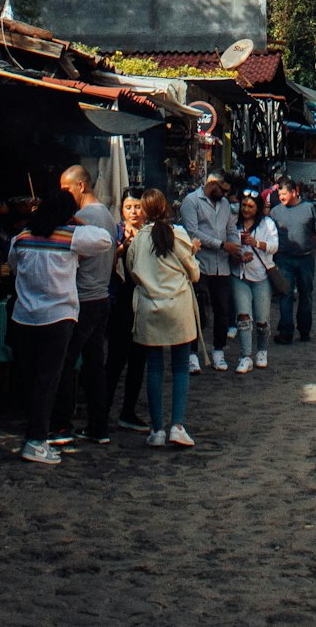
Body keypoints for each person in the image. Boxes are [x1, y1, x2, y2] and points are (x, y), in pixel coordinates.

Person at [8, 189, 114, 465]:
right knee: (48, 380)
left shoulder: (20, 239)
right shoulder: (70, 237)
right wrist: (77, 224)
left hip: (24, 317)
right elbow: (105, 240)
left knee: (32, 379)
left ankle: (35, 435)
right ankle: (36, 440)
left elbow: (13, 269)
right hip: (57, 318)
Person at [126, 188, 202, 447]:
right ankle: (177, 426)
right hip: (178, 306)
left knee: (154, 368)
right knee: (181, 367)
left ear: (144, 212)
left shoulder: (139, 240)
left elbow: (131, 270)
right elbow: (194, 272)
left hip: (149, 308)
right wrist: (193, 251)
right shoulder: (177, 234)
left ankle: (157, 429)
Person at [50, 165, 118, 445]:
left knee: (65, 360)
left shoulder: (83, 217)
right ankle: (98, 426)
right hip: (101, 296)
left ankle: (62, 425)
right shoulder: (107, 215)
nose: (63, 195)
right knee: (93, 364)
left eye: (66, 189)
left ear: (81, 186)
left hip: (84, 299)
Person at [181, 171, 239, 373]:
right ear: (212, 184)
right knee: (195, 311)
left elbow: (231, 229)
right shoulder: (191, 201)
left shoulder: (224, 205)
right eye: (222, 190)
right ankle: (192, 353)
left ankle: (218, 351)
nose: (224, 194)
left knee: (222, 310)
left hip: (221, 266)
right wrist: (222, 245)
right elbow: (192, 232)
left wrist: (235, 247)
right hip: (200, 264)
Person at [106, 191, 148, 432]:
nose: (133, 211)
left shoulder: (149, 233)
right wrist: (123, 248)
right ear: (122, 210)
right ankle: (102, 411)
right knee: (115, 359)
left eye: (137, 207)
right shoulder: (116, 232)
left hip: (143, 301)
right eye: (129, 207)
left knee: (138, 360)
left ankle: (128, 411)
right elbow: (106, 261)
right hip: (120, 301)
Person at [269, 177, 316, 343]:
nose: (281, 197)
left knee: (306, 295)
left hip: (305, 259)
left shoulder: (309, 208)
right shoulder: (275, 212)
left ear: (294, 192)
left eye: (284, 193)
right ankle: (286, 331)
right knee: (285, 294)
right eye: (279, 194)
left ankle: (304, 330)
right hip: (283, 259)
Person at [229, 190, 279, 372]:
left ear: (257, 208)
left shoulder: (267, 224)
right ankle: (245, 356)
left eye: (250, 206)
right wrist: (240, 256)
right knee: (243, 316)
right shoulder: (234, 224)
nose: (246, 209)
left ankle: (262, 351)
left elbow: (274, 247)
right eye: (244, 205)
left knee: (261, 319)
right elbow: (230, 247)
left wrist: (256, 243)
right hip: (240, 276)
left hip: (261, 277)